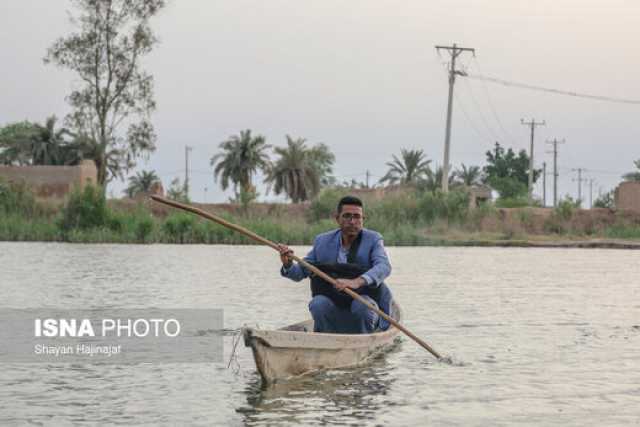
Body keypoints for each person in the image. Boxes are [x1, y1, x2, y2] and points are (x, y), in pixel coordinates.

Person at [277, 196, 393, 334]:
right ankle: (327, 338)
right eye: (347, 216)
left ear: (363, 220)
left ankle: (363, 339)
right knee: (318, 304)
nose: (352, 222)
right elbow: (300, 272)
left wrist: (357, 281)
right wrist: (288, 264)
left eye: (357, 217)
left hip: (365, 301)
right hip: (334, 302)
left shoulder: (373, 239)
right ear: (337, 218)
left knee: (363, 305)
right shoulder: (322, 241)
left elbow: (384, 266)